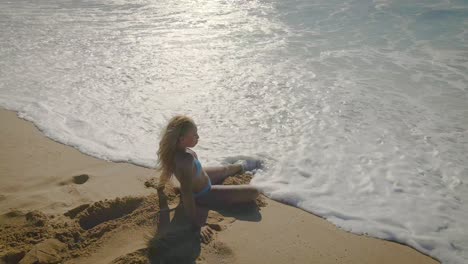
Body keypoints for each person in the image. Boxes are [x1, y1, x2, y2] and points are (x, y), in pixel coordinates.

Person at [156, 115, 260, 236]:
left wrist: (160, 185)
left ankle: (243, 165)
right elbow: (187, 193)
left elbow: (166, 170)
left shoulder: (175, 150)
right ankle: (203, 202)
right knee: (254, 192)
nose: (198, 137)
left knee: (226, 169)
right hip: (203, 193)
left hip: (200, 176)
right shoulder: (185, 161)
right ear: (182, 139)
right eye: (194, 135)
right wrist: (197, 224)